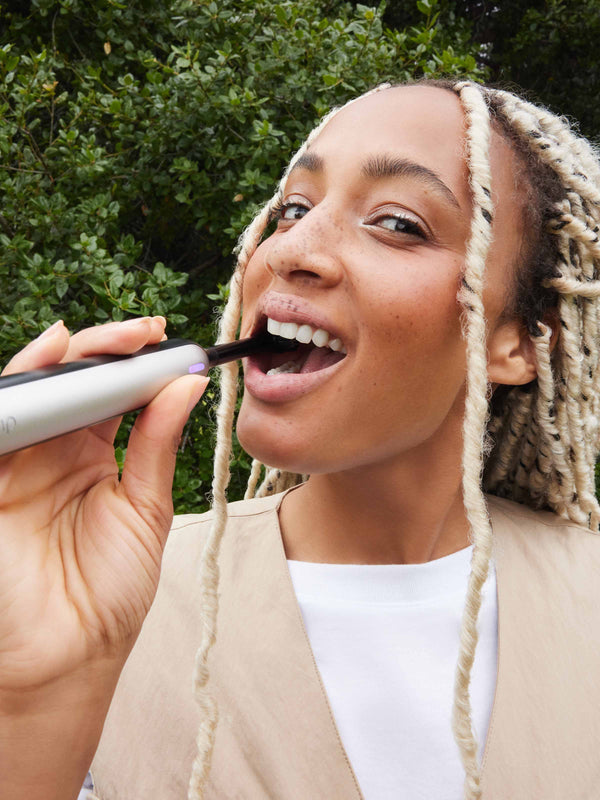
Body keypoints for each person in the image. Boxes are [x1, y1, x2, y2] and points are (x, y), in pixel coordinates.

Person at [2, 78, 600, 800]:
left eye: (398, 223)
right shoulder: (121, 592)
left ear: (521, 340)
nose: (292, 250)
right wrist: (30, 700)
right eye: (292, 208)